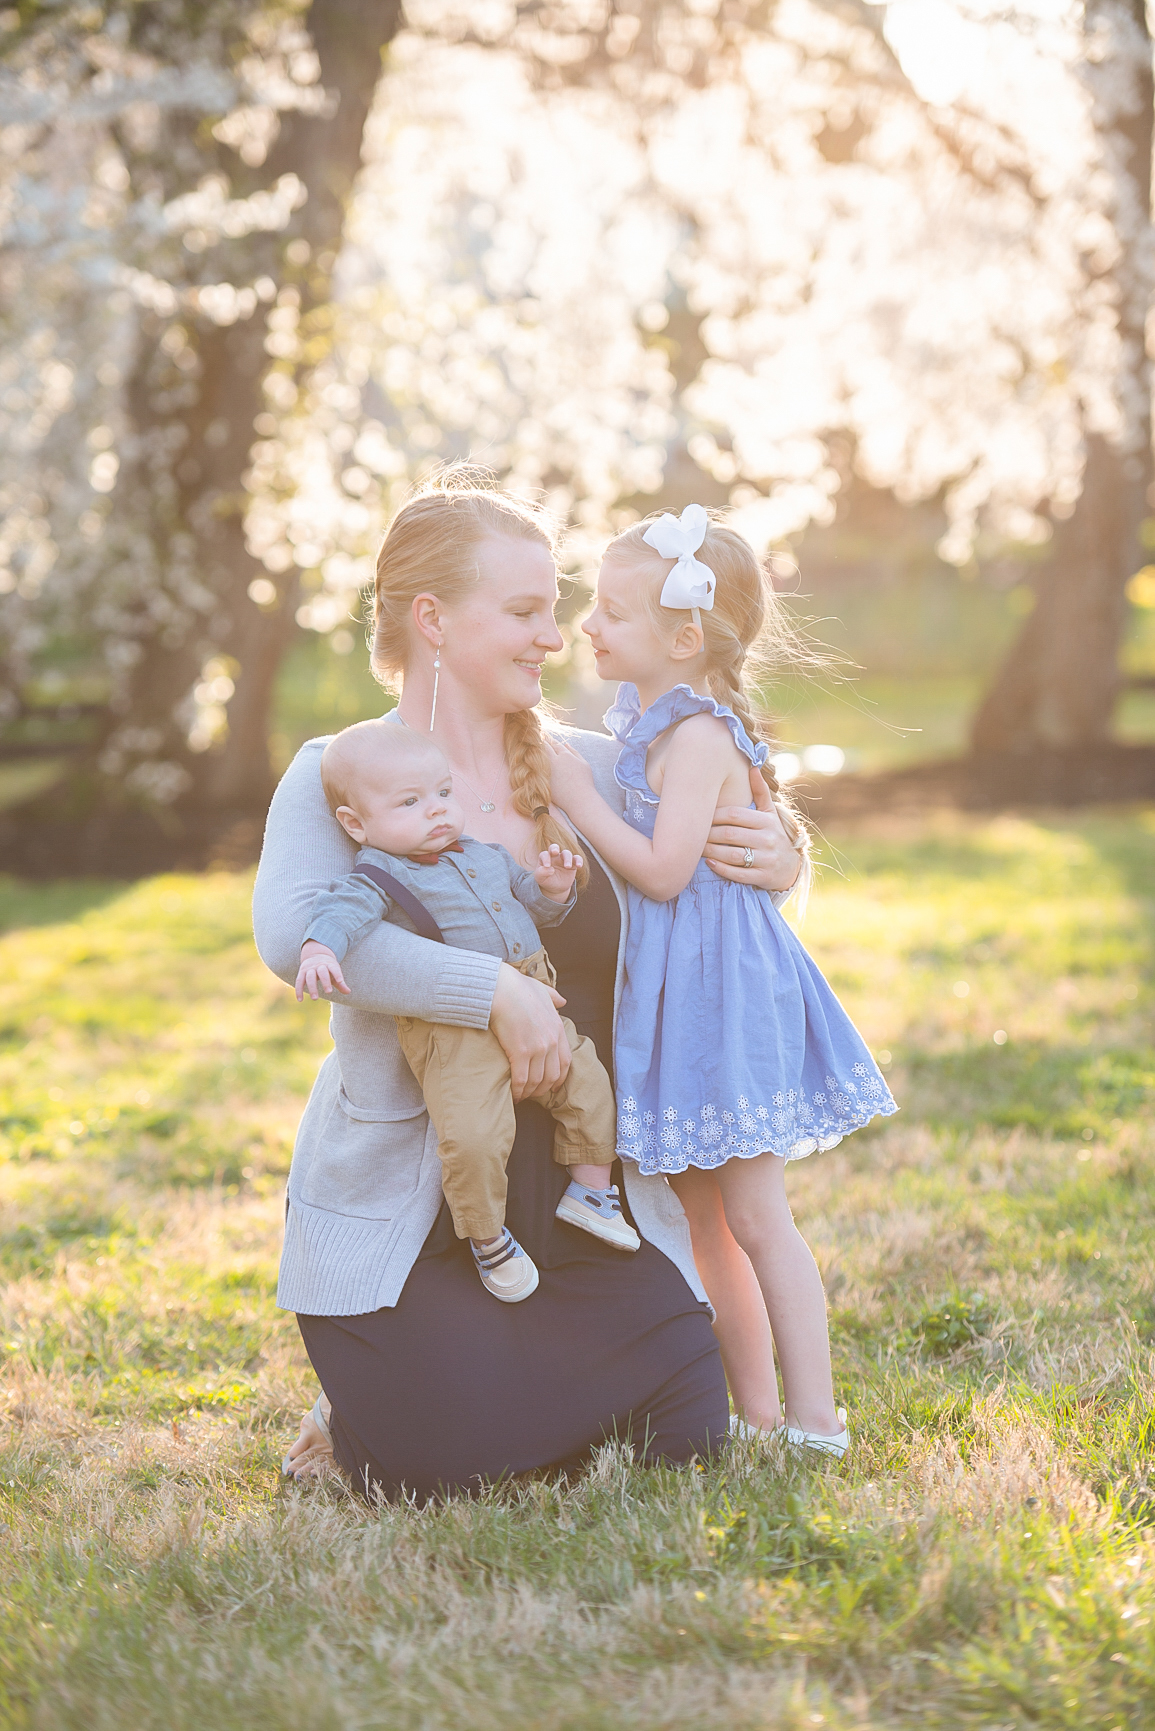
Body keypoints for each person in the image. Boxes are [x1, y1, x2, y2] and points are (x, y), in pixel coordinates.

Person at [257, 471, 803, 1499]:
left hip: (595, 1201)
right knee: (441, 1455)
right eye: (523, 612)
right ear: (432, 621)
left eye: (554, 612)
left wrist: (783, 854)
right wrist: (490, 991)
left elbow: (713, 873)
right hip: (422, 1215)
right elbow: (296, 939)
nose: (554, 640)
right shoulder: (340, 774)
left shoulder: (597, 763)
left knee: (684, 1429)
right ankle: (360, 1416)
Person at [547, 503, 898, 1459]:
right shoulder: (652, 726)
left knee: (752, 1213)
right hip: (683, 999)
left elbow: (662, 871)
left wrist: (575, 799)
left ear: (684, 634)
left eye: (610, 611)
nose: (589, 626)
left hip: (727, 999)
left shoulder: (698, 735)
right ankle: (755, 1415)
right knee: (706, 1222)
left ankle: (817, 1419)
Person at [294, 719, 636, 1305]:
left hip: (538, 995)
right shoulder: (382, 874)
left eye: (443, 793)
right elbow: (340, 911)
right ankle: (487, 1237)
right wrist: (320, 947)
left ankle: (591, 1191)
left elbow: (529, 907)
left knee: (590, 1086)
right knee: (473, 1134)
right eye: (409, 802)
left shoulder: (483, 853)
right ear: (357, 824)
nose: (436, 811)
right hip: (458, 1026)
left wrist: (551, 889)